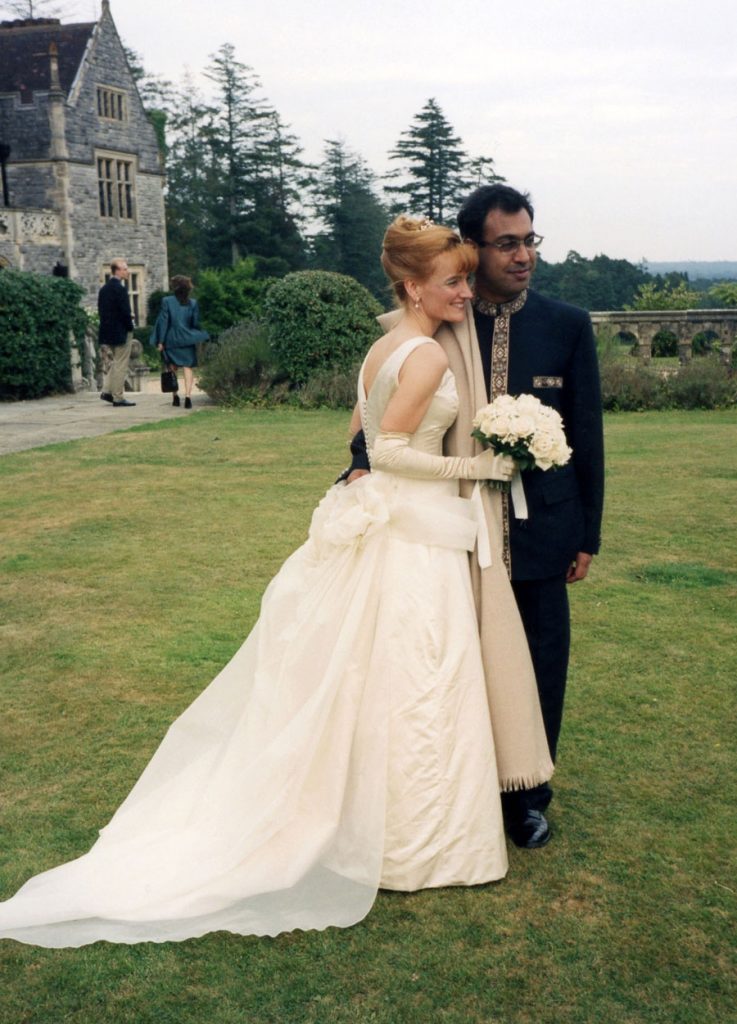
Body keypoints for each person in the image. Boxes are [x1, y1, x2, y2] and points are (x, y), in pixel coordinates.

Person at [0, 217, 552, 949]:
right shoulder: (423, 356)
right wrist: (478, 467)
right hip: (415, 533)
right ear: (412, 286)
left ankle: (382, 825)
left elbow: (351, 436)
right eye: (451, 280)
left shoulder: (382, 347)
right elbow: (384, 453)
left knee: (384, 678)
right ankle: (415, 843)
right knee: (419, 680)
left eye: (462, 278)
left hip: (398, 531)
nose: (463, 290)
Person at [345, 186, 605, 849]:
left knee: (542, 655)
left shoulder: (565, 324)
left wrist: (586, 533)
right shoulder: (446, 314)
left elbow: (586, 433)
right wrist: (358, 464)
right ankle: (461, 784)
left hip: (542, 525)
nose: (522, 256)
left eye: (529, 241)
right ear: (473, 248)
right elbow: (386, 399)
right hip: (451, 523)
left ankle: (527, 798)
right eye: (507, 243)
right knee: (462, 657)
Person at [151, 275, 209, 409]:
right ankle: (188, 397)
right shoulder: (193, 303)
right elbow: (194, 323)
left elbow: (164, 322)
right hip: (187, 339)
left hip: (171, 339)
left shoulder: (166, 301)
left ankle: (175, 397)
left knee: (172, 368)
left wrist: (160, 341)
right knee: (188, 367)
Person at [98, 258, 136, 408]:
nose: (127, 271)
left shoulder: (104, 289)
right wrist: (130, 325)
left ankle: (107, 391)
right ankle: (118, 397)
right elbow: (125, 312)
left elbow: (103, 311)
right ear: (117, 271)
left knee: (115, 362)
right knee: (121, 364)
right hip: (121, 331)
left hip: (108, 331)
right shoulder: (120, 289)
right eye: (125, 269)